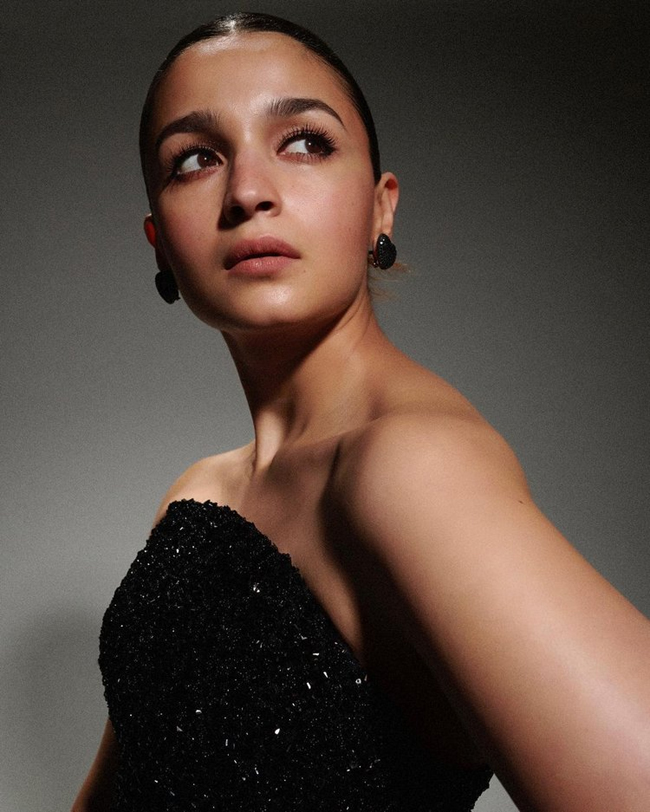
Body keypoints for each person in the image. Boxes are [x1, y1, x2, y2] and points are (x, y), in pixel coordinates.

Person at [72, 12, 650, 812]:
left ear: (382, 208)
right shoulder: (197, 496)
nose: (248, 192)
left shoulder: (409, 464)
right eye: (195, 159)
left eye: (305, 142)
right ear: (160, 243)